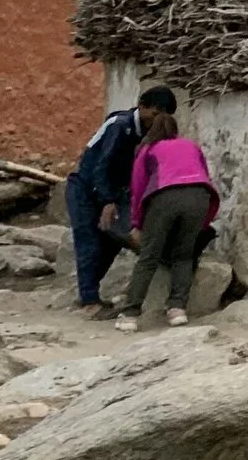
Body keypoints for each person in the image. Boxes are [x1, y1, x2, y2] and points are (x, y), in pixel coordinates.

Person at [66, 85, 176, 317]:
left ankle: (89, 291)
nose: (155, 121)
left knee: (113, 240)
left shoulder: (145, 134)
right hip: (85, 189)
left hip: (113, 192)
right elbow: (100, 166)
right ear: (142, 106)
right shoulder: (120, 126)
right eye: (154, 115)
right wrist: (107, 201)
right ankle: (89, 301)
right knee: (89, 239)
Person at [121, 102, 219, 327]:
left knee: (149, 257)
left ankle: (130, 314)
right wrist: (205, 218)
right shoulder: (191, 146)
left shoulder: (147, 150)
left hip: (165, 196)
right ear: (175, 129)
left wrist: (137, 223)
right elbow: (205, 176)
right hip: (199, 197)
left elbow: (138, 188)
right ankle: (177, 310)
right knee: (183, 256)